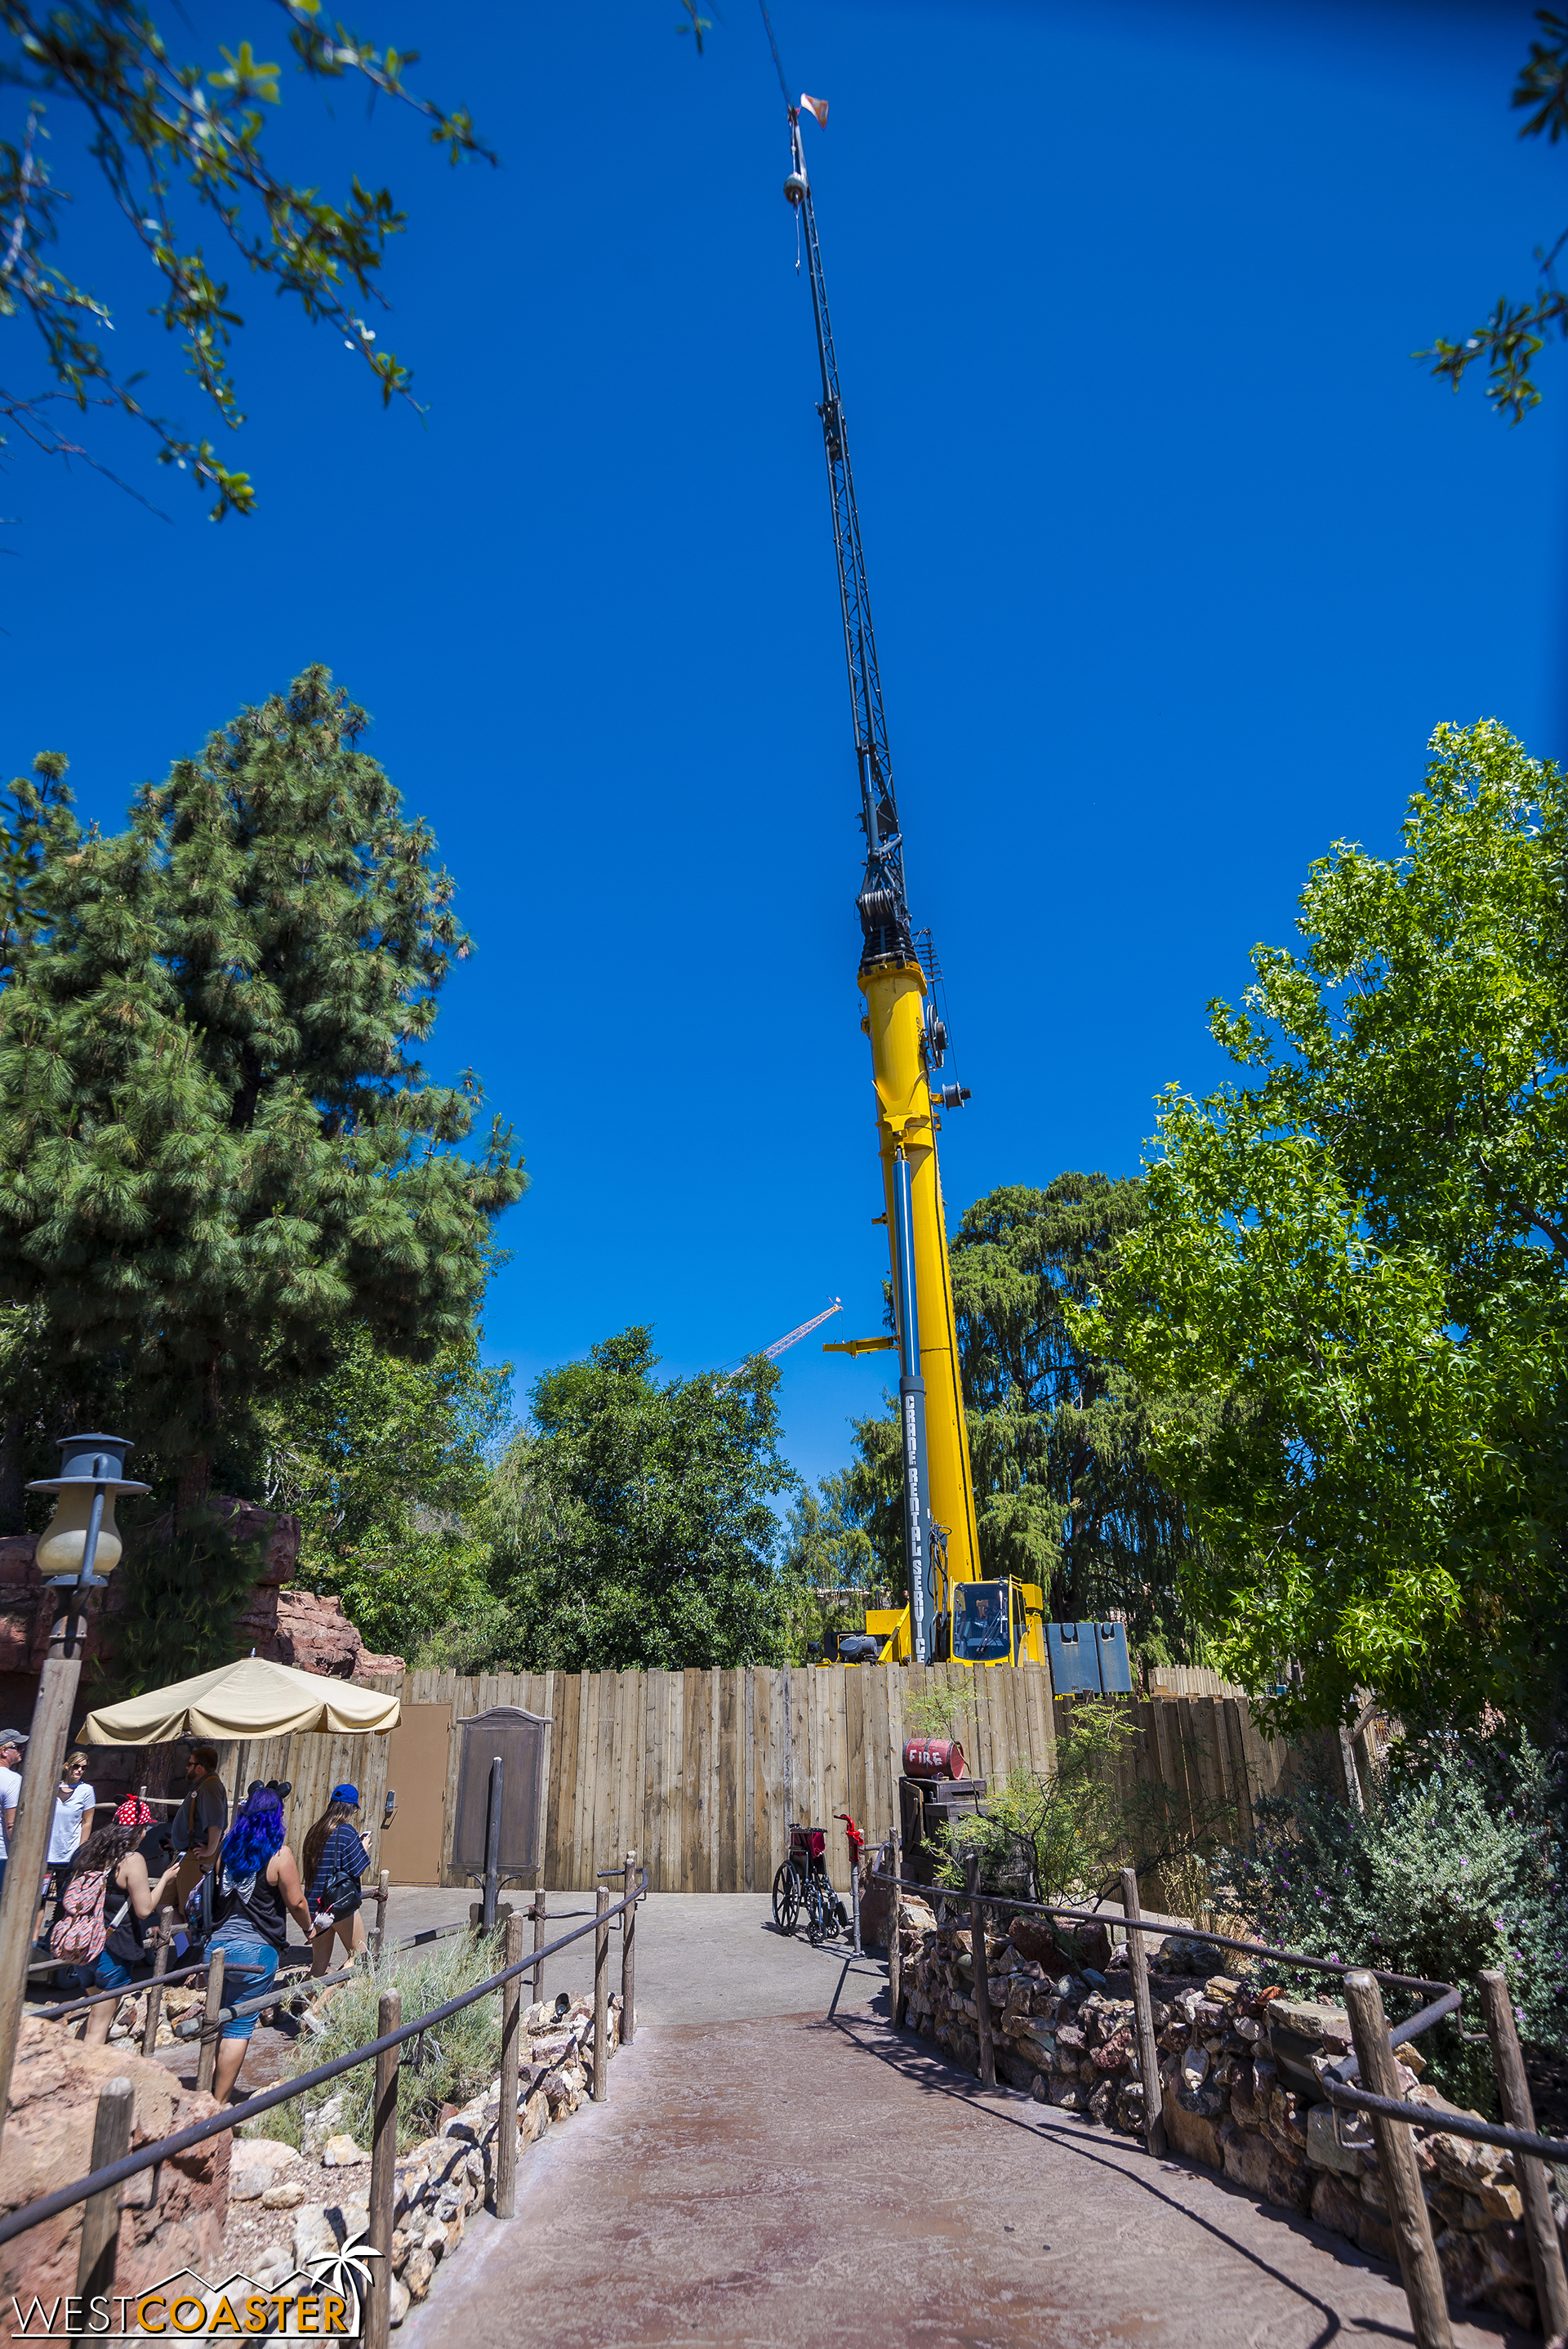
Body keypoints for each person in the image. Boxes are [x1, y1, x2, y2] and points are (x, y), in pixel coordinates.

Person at [207, 1787, 314, 2101]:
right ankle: (218, 2104)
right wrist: (309, 1929)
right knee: (237, 2029)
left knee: (216, 2020)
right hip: (254, 1953)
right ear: (276, 1816)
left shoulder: (226, 1848)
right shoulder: (280, 1854)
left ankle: (203, 2094)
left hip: (216, 1947)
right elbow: (296, 1902)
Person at [78, 1802, 182, 2046]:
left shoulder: (93, 1851)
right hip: (111, 1949)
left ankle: (74, 2069)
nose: (146, 1833)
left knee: (94, 2015)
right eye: (144, 1827)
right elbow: (145, 1910)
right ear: (136, 1829)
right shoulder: (132, 1860)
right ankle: (88, 2080)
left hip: (84, 1945)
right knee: (99, 2026)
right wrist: (166, 1878)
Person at [301, 1785, 371, 1977]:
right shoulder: (347, 1832)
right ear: (349, 1808)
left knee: (318, 1966)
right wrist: (362, 1848)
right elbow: (357, 1869)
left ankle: (307, 2003)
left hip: (316, 1908)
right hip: (340, 1906)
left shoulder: (314, 1831)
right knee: (359, 1957)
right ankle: (318, 2006)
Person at [41, 1750, 96, 1938]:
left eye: (83, 1767)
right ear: (67, 1766)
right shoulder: (52, 1787)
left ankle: (57, 1935)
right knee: (40, 1898)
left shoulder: (86, 1791)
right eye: (76, 1766)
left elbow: (87, 1822)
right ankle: (33, 1940)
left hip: (69, 1853)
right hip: (47, 1853)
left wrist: (82, 1850)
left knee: (65, 1897)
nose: (79, 1770)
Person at [171, 1742, 228, 1917]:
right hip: (186, 1853)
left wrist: (210, 1849)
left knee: (190, 1911)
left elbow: (215, 1822)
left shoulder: (209, 1786)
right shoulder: (202, 1785)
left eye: (191, 1763)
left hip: (196, 1856)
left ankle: (194, 1945)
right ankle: (185, 1946)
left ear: (200, 1768)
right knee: (164, 1902)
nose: (187, 1767)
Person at [0, 1730, 27, 1905]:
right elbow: (12, 1827)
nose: (22, 1750)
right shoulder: (12, 1780)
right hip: (2, 1855)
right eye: (18, 1747)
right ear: (3, 1751)